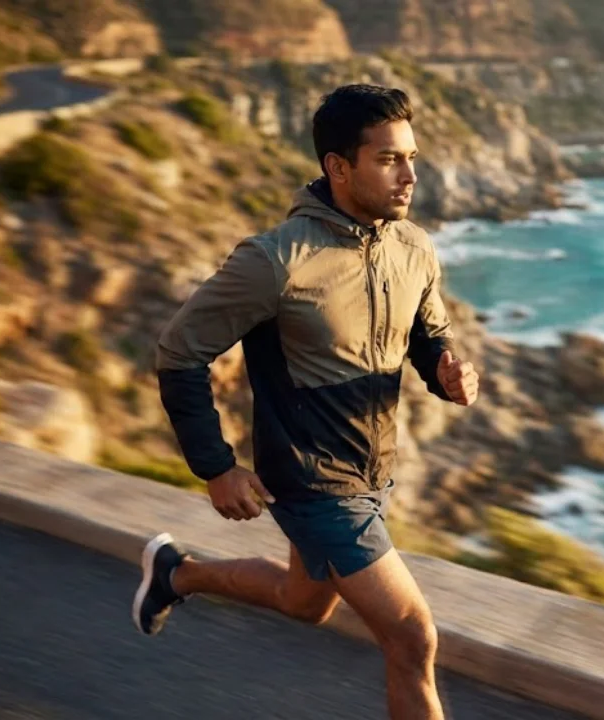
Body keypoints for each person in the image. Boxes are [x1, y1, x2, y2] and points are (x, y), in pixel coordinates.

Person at [133, 84, 479, 720]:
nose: (409, 177)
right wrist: (216, 466)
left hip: (373, 470)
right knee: (411, 637)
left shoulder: (413, 247)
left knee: (305, 603)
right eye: (388, 160)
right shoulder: (276, 260)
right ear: (338, 167)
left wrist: (446, 371)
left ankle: (176, 574)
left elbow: (427, 335)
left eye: (411, 158)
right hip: (314, 479)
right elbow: (179, 353)